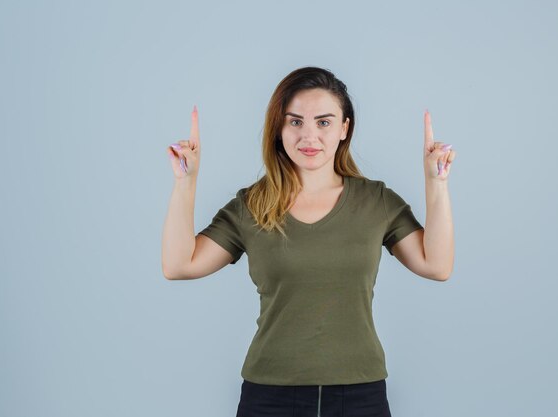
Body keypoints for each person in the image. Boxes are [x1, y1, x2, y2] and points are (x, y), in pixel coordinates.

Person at [162, 66, 456, 417]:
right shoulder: (252, 205)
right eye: (295, 122)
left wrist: (435, 182)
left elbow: (436, 265)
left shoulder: (376, 201)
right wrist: (185, 182)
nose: (309, 136)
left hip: (360, 395)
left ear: (344, 128)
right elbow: (179, 265)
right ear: (279, 129)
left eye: (324, 122)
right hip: (269, 397)